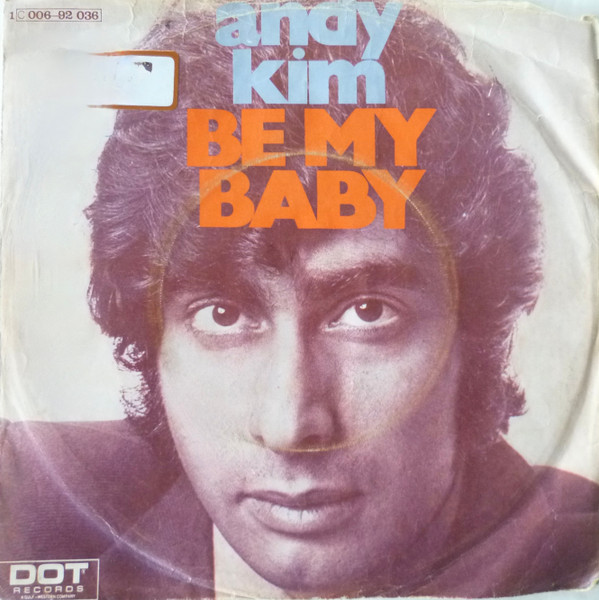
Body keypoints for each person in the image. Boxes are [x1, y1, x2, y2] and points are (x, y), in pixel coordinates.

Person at [1, 3, 597, 599]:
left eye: (367, 312)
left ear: (477, 333)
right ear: (151, 343)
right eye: (223, 315)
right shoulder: (24, 504)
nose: (291, 425)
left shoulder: (579, 555)